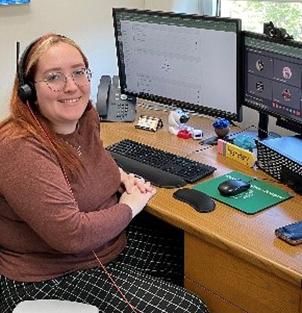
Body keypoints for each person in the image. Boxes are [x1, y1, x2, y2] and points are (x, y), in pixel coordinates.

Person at [0, 34, 210, 313]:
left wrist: (120, 176)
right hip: (49, 274)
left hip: (105, 246)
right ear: (29, 91)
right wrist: (130, 207)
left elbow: (89, 160)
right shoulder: (19, 148)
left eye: (78, 72)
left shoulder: (85, 117)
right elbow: (71, 235)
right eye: (53, 77)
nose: (71, 86)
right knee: (190, 308)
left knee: (192, 259)